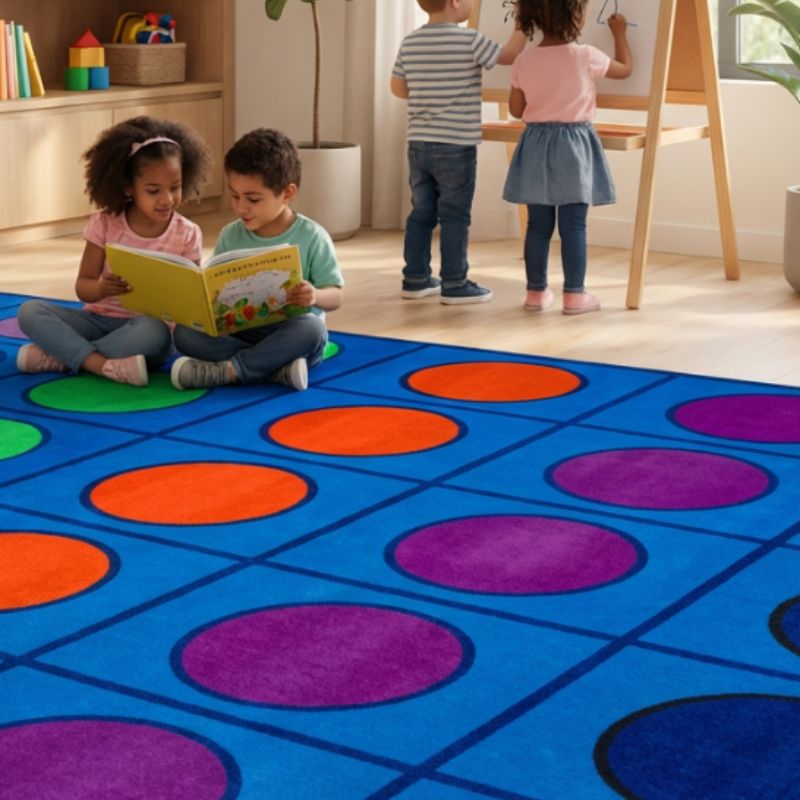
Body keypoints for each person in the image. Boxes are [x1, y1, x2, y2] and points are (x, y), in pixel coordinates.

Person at [17, 116, 212, 386]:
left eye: (175, 187)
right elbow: (83, 287)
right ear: (128, 188)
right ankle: (100, 364)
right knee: (29, 311)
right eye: (153, 190)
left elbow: (189, 302)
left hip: (145, 330)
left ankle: (64, 356)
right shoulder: (106, 223)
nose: (167, 199)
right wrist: (101, 288)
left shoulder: (187, 233)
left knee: (155, 334)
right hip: (97, 319)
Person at [170, 128, 343, 391]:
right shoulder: (231, 234)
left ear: (287, 193)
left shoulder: (312, 236)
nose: (240, 207)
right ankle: (274, 369)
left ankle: (230, 371)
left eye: (252, 199)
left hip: (289, 332)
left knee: (312, 329)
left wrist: (315, 296)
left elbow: (336, 296)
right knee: (184, 333)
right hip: (242, 332)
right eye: (234, 195)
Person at [391, 0, 527, 304]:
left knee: (421, 213)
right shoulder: (469, 39)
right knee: (454, 215)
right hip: (455, 144)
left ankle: (415, 279)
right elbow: (509, 55)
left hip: (419, 143)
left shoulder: (410, 41)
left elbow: (398, 89)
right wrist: (522, 23)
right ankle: (454, 283)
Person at [504, 0, 632, 315]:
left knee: (537, 225)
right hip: (574, 145)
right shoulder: (586, 56)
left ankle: (535, 292)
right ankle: (574, 295)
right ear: (576, 15)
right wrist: (619, 33)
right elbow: (625, 70)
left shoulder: (524, 59)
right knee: (574, 225)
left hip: (535, 144)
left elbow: (516, 110)